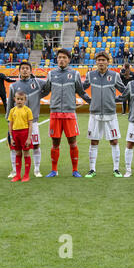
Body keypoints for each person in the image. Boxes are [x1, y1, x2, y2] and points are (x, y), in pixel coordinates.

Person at [42, 49, 91, 178]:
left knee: (72, 142)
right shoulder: (51, 74)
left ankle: (75, 170)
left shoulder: (75, 74)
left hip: (69, 113)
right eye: (59, 57)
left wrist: (92, 101)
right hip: (55, 113)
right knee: (55, 143)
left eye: (64, 57)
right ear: (57, 59)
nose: (61, 60)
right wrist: (31, 99)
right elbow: (45, 91)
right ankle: (54, 170)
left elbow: (81, 92)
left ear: (69, 59)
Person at [82, 52, 126, 178]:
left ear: (108, 62)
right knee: (94, 141)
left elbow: (125, 91)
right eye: (99, 60)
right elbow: (80, 89)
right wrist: (89, 100)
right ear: (96, 62)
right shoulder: (90, 75)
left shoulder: (114, 75)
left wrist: (116, 100)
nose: (101, 62)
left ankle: (116, 169)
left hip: (110, 114)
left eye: (103, 60)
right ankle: (92, 169)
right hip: (95, 114)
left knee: (114, 141)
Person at [6, 62, 49, 178]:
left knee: (35, 145)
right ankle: (14, 170)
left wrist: (41, 95)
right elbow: (10, 103)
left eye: (27, 68)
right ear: (19, 71)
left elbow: (49, 86)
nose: (25, 70)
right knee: (14, 147)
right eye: (23, 68)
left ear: (31, 71)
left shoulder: (38, 83)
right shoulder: (13, 86)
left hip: (33, 122)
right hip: (16, 124)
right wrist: (8, 121)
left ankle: (36, 169)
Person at [7, 91, 33, 182]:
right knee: (18, 153)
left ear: (25, 100)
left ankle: (26, 175)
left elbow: (30, 125)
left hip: (25, 133)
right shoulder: (12, 110)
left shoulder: (28, 110)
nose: (19, 101)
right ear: (15, 99)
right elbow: (10, 124)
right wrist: (11, 137)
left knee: (26, 153)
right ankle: (17, 175)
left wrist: (29, 137)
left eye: (21, 99)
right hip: (15, 134)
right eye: (18, 99)